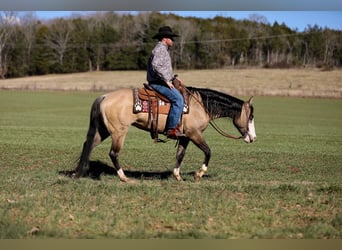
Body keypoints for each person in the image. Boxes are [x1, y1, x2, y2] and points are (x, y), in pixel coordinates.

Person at [147, 26, 185, 139]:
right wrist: (167, 80)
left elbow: (163, 67)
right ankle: (171, 129)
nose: (172, 40)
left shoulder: (163, 49)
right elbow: (156, 65)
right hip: (158, 83)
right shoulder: (160, 49)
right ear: (165, 38)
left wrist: (173, 78)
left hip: (161, 81)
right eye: (171, 38)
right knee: (178, 99)